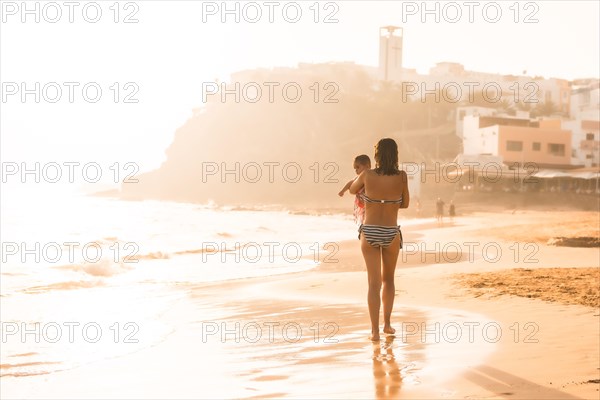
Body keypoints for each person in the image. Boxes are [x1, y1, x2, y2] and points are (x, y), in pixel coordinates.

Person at [349, 138, 409, 341]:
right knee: (389, 280)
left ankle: (374, 331)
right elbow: (406, 204)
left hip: (370, 231)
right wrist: (388, 203)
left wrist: (372, 199)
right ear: (395, 154)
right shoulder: (402, 176)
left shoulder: (367, 174)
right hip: (391, 231)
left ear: (376, 155)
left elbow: (351, 190)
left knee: (373, 284)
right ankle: (387, 325)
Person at [338, 155, 371, 225]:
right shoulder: (359, 178)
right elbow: (350, 183)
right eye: (355, 168)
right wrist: (343, 191)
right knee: (364, 218)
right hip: (363, 203)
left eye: (358, 167)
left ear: (367, 166)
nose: (356, 170)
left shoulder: (372, 176)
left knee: (367, 217)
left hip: (369, 203)